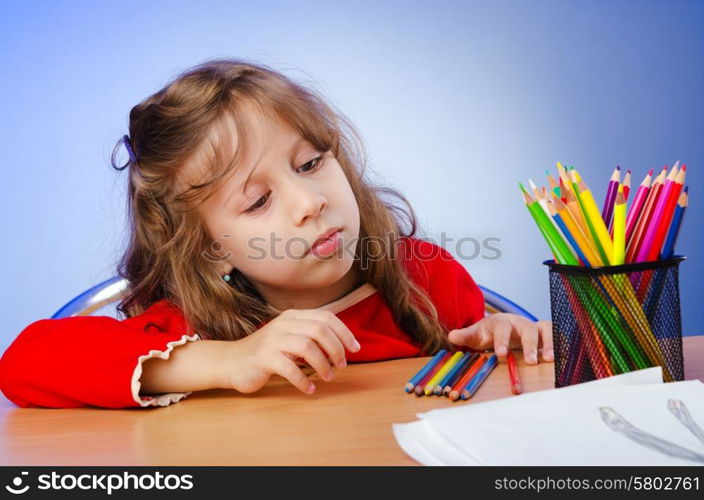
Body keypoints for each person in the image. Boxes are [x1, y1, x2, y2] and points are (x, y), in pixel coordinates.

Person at [0, 59, 553, 409]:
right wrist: (230, 360)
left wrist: (497, 334)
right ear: (210, 248)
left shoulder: (426, 276)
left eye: (311, 164)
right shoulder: (195, 326)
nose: (310, 203)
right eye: (259, 201)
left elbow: (480, 381)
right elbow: (24, 363)